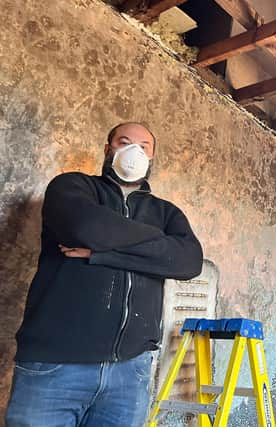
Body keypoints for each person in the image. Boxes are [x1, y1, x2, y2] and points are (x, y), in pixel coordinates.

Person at [6, 122, 204, 426]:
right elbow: (87, 228)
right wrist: (158, 244)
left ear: (152, 158)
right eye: (124, 142)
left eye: (144, 146)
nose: (133, 151)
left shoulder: (166, 212)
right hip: (55, 364)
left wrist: (102, 254)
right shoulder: (71, 187)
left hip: (130, 371)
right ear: (107, 149)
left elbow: (190, 261)